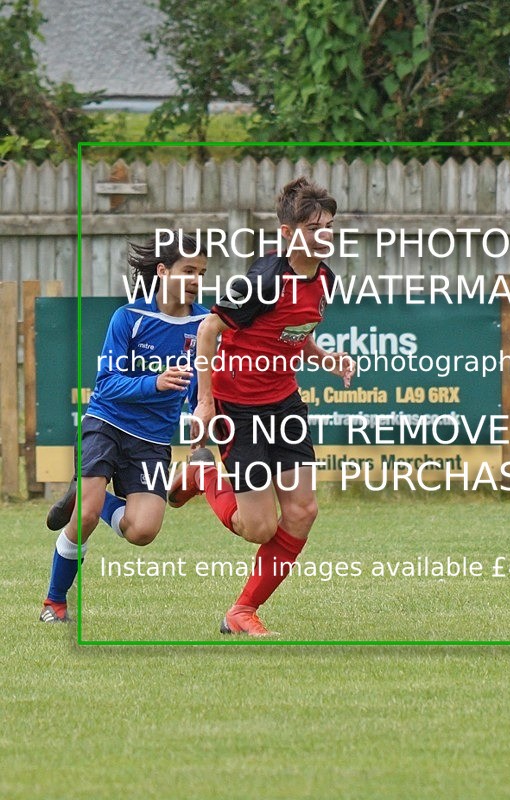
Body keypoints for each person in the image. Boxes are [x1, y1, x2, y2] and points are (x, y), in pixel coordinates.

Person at [168, 177, 354, 637]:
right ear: (288, 233)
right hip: (237, 407)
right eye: (314, 228)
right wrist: (207, 402)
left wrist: (324, 357)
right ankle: (201, 473)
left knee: (303, 511)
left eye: (329, 226)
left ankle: (241, 612)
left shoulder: (324, 279)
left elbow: (292, 330)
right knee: (258, 527)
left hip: (283, 404)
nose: (324, 235)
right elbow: (210, 331)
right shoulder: (262, 280)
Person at [40, 235, 208, 622]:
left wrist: (202, 412)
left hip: (152, 439)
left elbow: (200, 386)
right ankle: (54, 602)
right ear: (163, 272)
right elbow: (106, 384)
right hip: (108, 423)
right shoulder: (129, 318)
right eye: (188, 271)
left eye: (201, 273)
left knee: (142, 531)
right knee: (84, 516)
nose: (196, 280)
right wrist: (155, 382)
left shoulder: (203, 324)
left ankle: (86, 496)